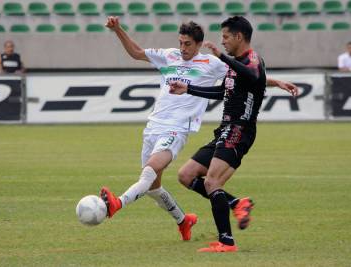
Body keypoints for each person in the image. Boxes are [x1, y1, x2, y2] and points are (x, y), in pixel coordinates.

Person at [100, 16, 298, 242]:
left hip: (177, 129)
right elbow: (136, 53)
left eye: (187, 44)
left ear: (198, 44)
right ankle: (186, 220)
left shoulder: (211, 63)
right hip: (153, 126)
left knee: (150, 172)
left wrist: (277, 82)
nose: (182, 48)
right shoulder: (169, 56)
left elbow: (246, 76)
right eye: (180, 42)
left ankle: (117, 203)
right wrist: (118, 30)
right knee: (153, 187)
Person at [170, 16, 297, 252]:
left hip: (240, 129)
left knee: (212, 181)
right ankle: (237, 203)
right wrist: (188, 88)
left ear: (239, 37)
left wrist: (221, 56)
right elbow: (223, 91)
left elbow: (254, 76)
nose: (223, 41)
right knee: (186, 175)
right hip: (225, 129)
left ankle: (226, 242)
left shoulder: (252, 60)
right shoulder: (238, 64)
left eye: (226, 37)